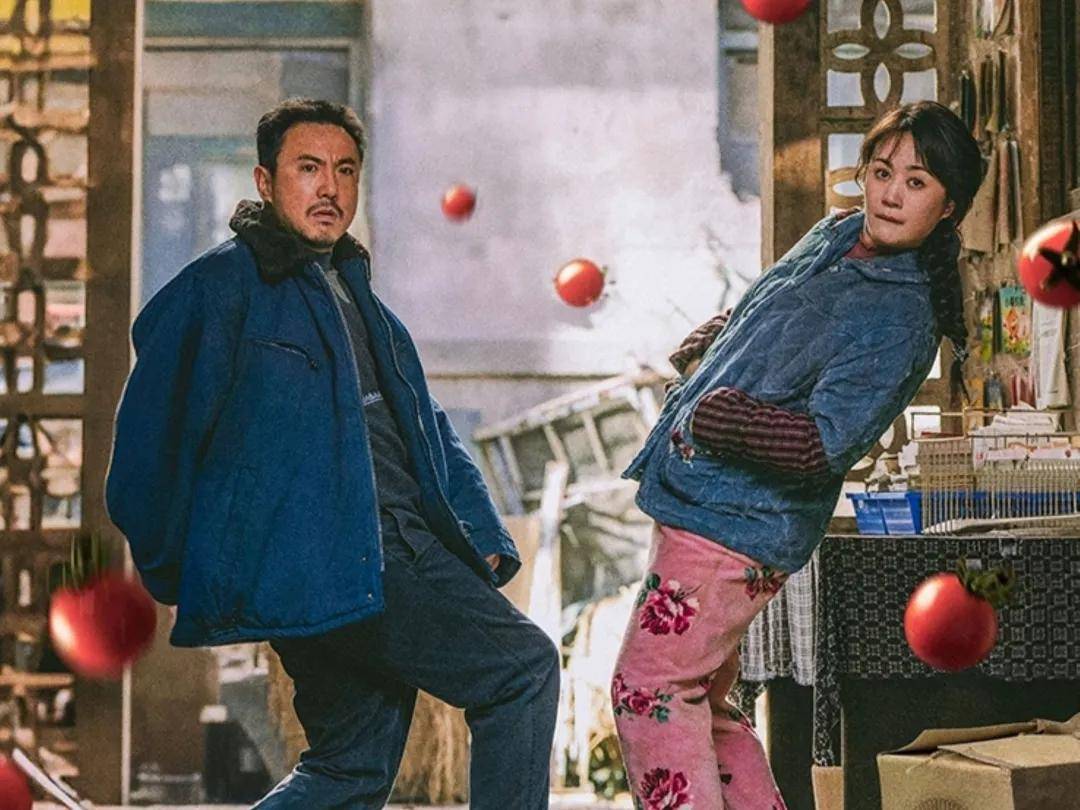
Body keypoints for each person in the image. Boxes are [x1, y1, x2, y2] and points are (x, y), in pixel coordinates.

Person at [105, 98, 559, 809]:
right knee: (521, 671)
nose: (330, 188)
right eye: (308, 168)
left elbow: (426, 428)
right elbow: (146, 451)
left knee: (351, 766)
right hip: (353, 557)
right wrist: (184, 573)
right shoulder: (217, 289)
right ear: (265, 181)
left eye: (345, 170)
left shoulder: (358, 296)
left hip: (369, 558)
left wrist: (481, 533)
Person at [610, 100, 984, 809]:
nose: (890, 194)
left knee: (650, 690)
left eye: (916, 183)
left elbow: (824, 442)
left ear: (948, 208)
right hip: (704, 496)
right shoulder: (837, 234)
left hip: (735, 524)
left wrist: (724, 415)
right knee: (700, 702)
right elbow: (772, 315)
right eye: (882, 172)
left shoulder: (902, 315)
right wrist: (719, 344)